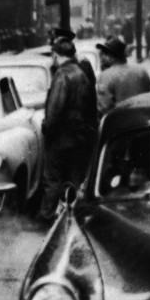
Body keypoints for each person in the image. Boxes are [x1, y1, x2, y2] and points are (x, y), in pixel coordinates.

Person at [40, 39, 98, 220]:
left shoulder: (62, 75)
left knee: (53, 180)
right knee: (74, 180)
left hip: (61, 138)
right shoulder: (81, 74)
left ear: (55, 55)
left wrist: (47, 131)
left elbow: (55, 111)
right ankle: (75, 217)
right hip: (78, 137)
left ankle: (48, 216)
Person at [96, 36, 150, 116]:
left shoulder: (105, 76)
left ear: (111, 57)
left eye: (105, 53)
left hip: (120, 122)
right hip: (143, 120)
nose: (102, 57)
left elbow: (104, 108)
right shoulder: (142, 72)